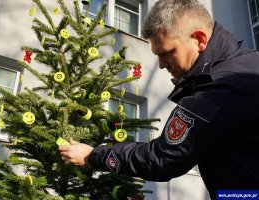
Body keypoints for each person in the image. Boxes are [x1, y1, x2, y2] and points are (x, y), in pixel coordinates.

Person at [59, 0, 259, 198]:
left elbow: (162, 158)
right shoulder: (249, 65)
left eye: (167, 53)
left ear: (199, 39)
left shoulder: (219, 88)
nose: (162, 65)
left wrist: (93, 155)